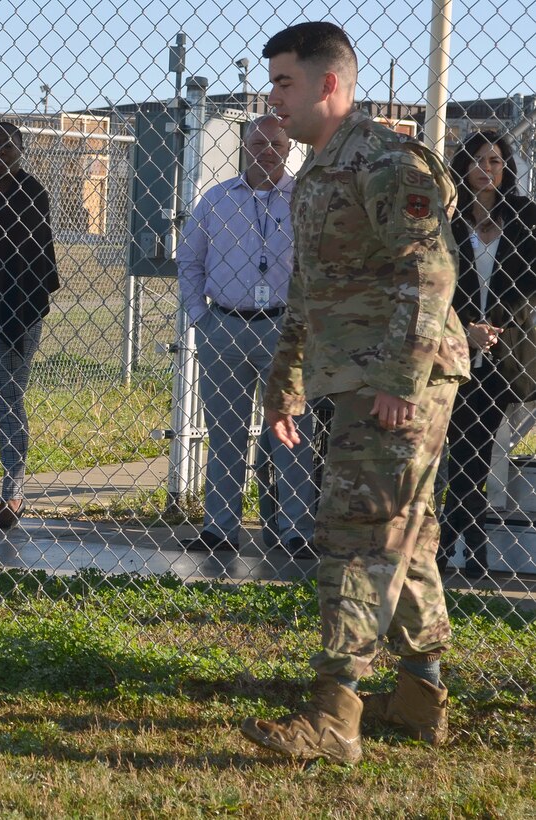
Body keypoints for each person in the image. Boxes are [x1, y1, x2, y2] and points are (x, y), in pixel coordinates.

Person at [240, 22, 470, 764]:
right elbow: (310, 291)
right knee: (407, 534)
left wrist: (400, 382)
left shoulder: (384, 163)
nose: (273, 97)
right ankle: (419, 696)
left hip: (400, 381)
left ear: (328, 84)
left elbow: (429, 273)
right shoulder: (317, 173)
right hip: (364, 378)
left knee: (357, 532)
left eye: (284, 82)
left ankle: (335, 714)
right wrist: (286, 386)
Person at [177, 114, 316, 557]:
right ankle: (220, 529)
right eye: (258, 143)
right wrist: (201, 317)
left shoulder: (303, 201)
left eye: (276, 143)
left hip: (285, 328)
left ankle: (296, 532)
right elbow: (190, 262)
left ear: (289, 147)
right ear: (245, 146)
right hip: (225, 326)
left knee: (293, 432)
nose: (267, 151)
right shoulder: (216, 201)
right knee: (225, 432)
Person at [437, 132, 536, 578]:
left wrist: (493, 325)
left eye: (495, 161)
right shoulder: (448, 219)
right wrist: (464, 327)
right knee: (461, 447)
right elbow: (436, 283)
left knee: (475, 444)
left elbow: (526, 284)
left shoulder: (525, 218)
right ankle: (469, 541)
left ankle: (452, 537)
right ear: (464, 166)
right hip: (453, 344)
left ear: (506, 167)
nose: (487, 168)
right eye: (479, 160)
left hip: (503, 349)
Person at [0, 121, 60, 531]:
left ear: (20, 148)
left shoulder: (30, 191)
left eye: (5, 145)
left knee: (6, 400)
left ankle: (13, 492)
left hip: (15, 312)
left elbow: (28, 254)